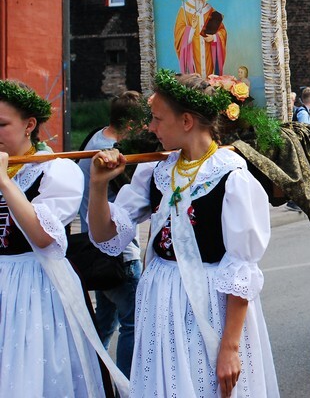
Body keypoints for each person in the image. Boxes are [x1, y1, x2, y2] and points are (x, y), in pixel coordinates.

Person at [88, 70, 279, 397]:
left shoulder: (232, 179)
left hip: (209, 303)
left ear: (187, 121)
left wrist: (230, 347)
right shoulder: (155, 170)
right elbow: (106, 234)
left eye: (158, 119)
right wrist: (98, 185)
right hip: (160, 300)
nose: (151, 127)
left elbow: (242, 270)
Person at [0, 80, 127, 396]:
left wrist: (3, 181)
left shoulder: (56, 171)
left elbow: (42, 237)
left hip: (35, 285)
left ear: (30, 125)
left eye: (1, 124)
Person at [77, 90, 142, 378]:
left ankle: (92, 377)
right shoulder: (111, 153)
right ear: (129, 124)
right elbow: (129, 203)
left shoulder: (96, 139)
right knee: (132, 324)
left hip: (98, 251)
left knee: (105, 322)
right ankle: (127, 384)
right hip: (119, 253)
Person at [174, 0, 228, 77]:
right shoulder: (184, 9)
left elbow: (222, 30)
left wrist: (214, 38)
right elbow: (178, 35)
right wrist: (192, 28)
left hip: (208, 55)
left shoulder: (209, 9)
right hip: (193, 55)